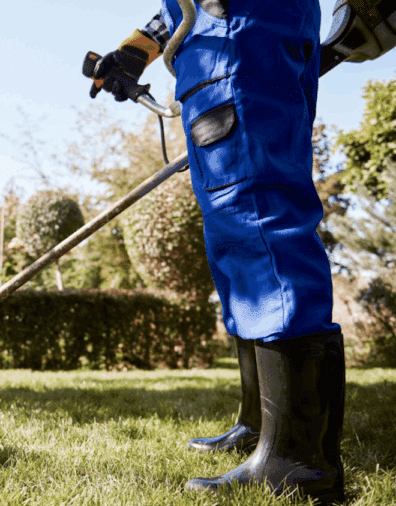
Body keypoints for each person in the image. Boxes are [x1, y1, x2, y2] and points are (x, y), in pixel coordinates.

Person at [89, 1, 346, 503]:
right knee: (234, 235)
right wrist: (137, 50)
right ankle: (262, 427)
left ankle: (298, 458)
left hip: (237, 32)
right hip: (219, 40)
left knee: (256, 216)